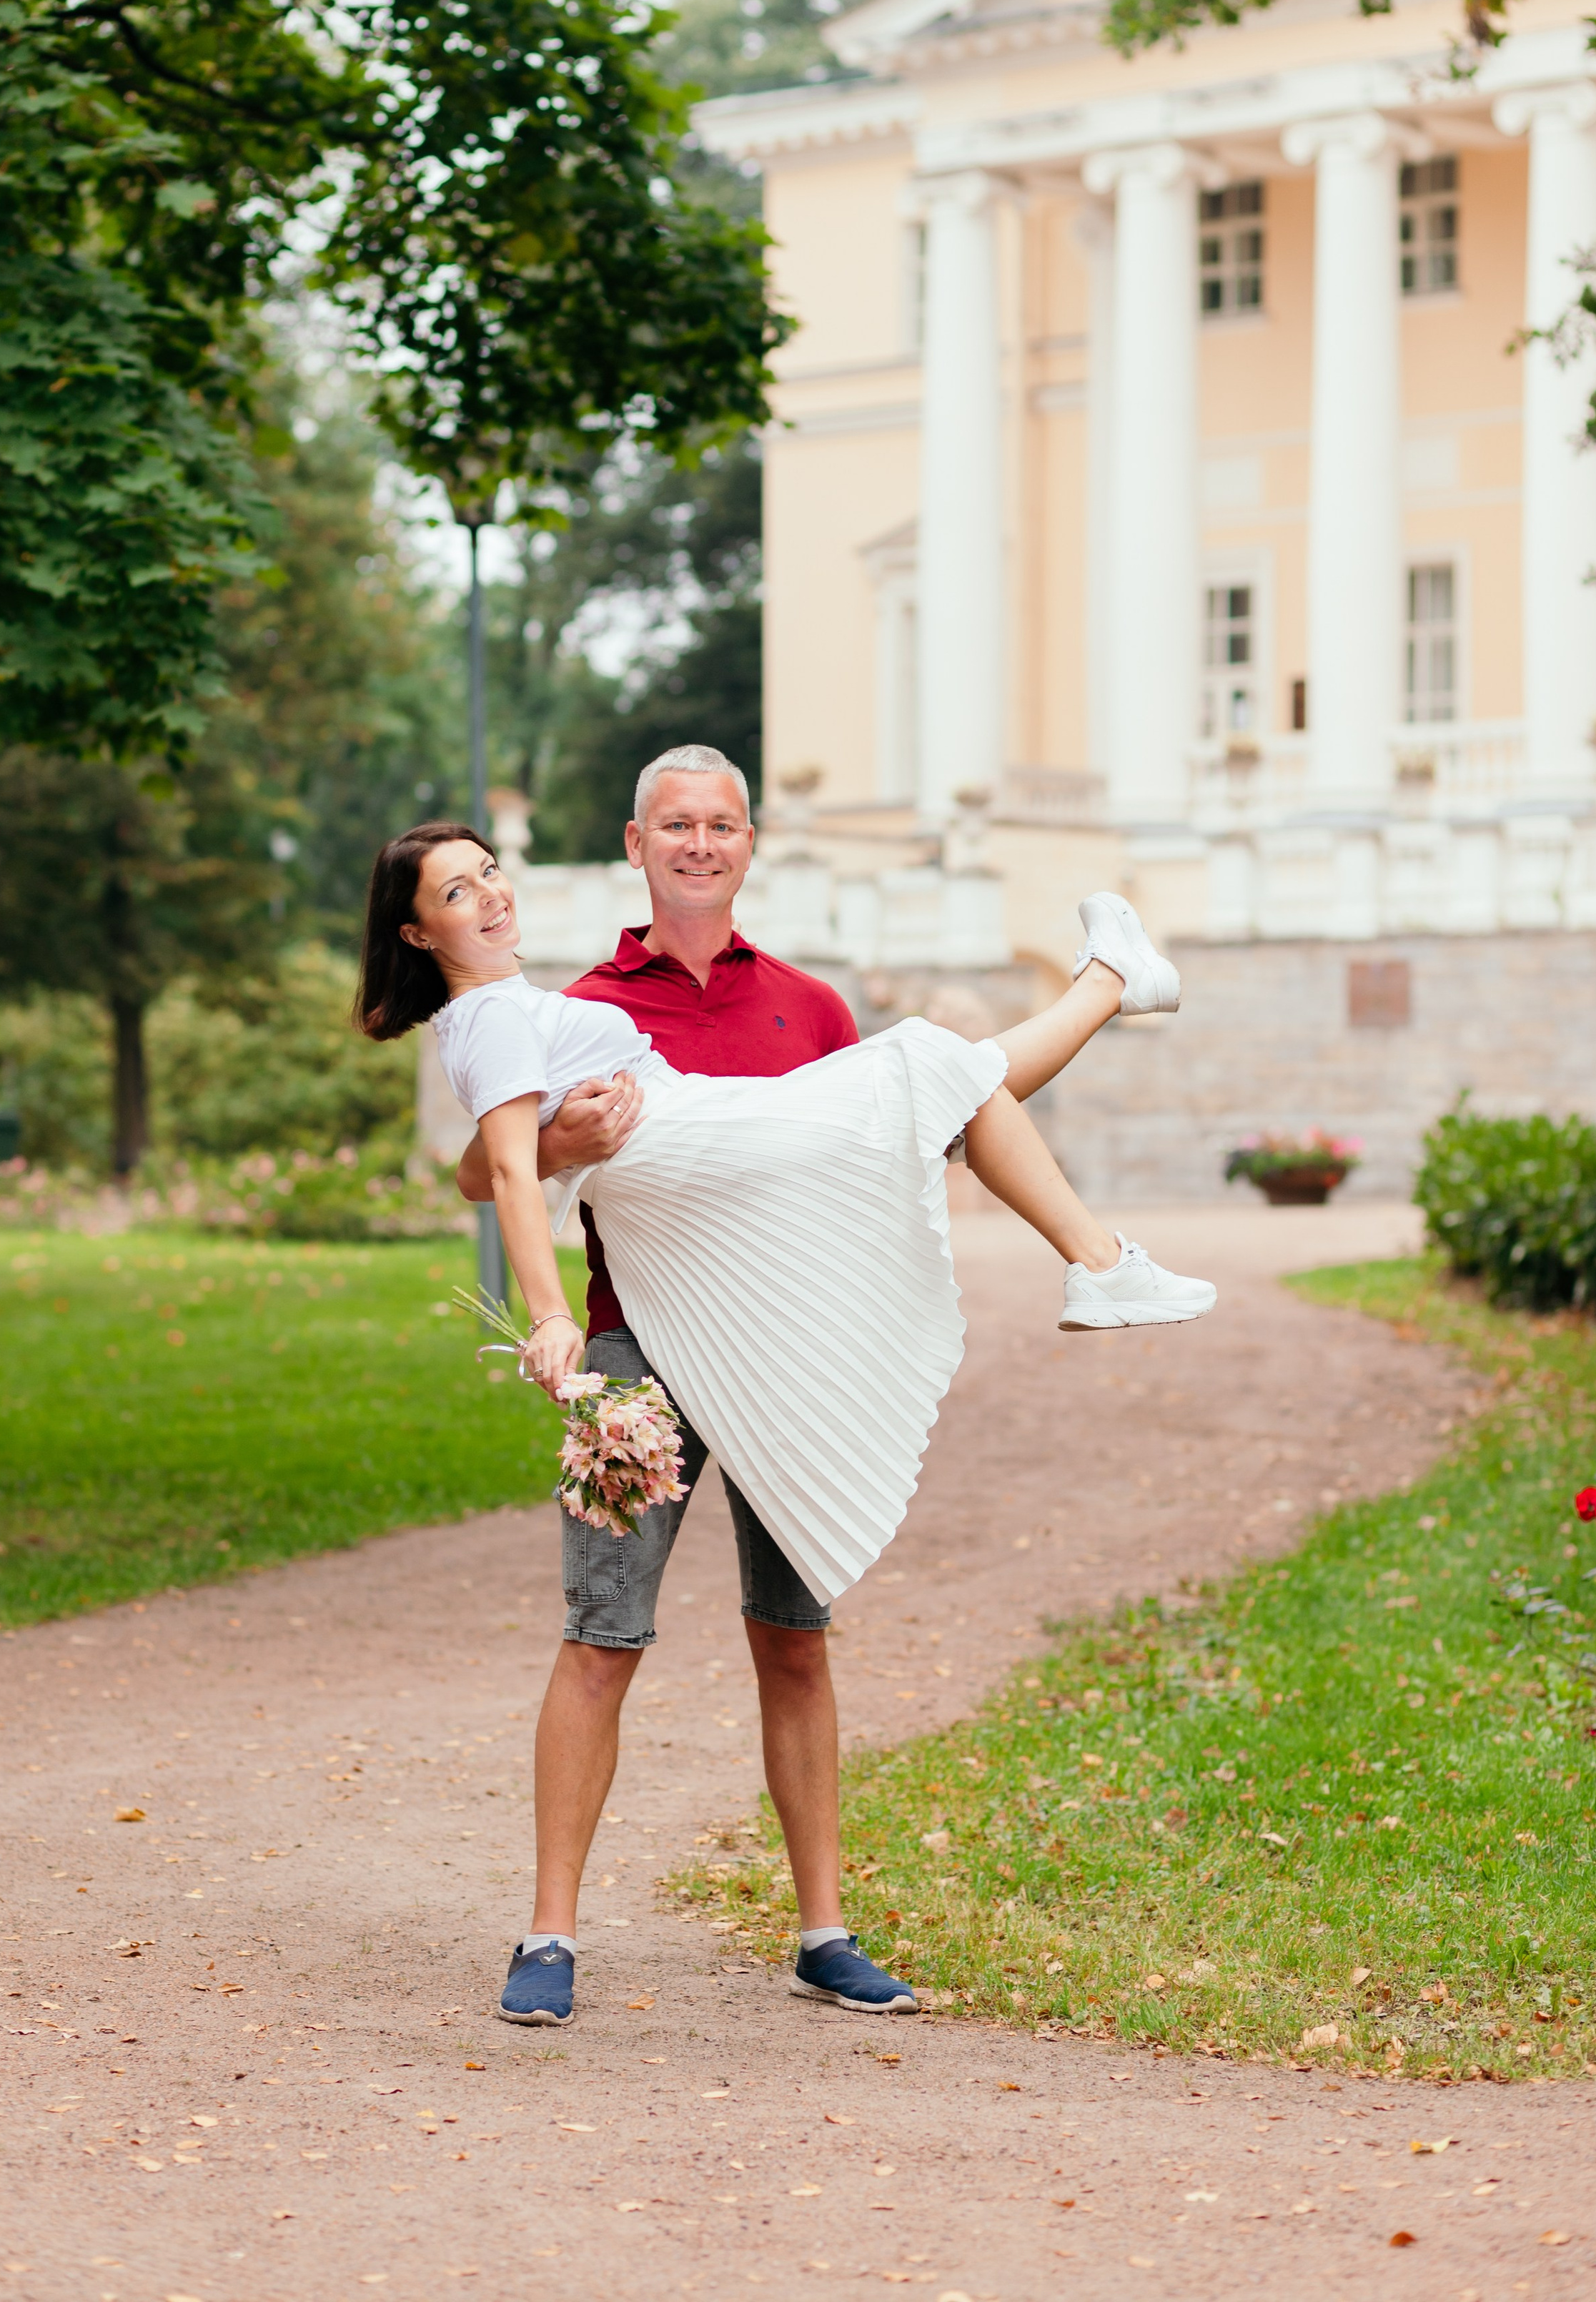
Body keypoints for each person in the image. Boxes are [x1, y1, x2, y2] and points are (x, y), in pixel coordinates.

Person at [358, 747, 1214, 2031]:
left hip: (777, 1339)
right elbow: (505, 1174)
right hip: (639, 1350)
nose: (488, 898)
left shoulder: (793, 1003)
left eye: (493, 876)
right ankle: (548, 1936)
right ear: (636, 844)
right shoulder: (535, 1006)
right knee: (601, 1639)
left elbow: (863, 1167)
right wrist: (547, 1304)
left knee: (795, 1638)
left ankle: (825, 1930)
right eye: (459, 891)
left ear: (748, 843)